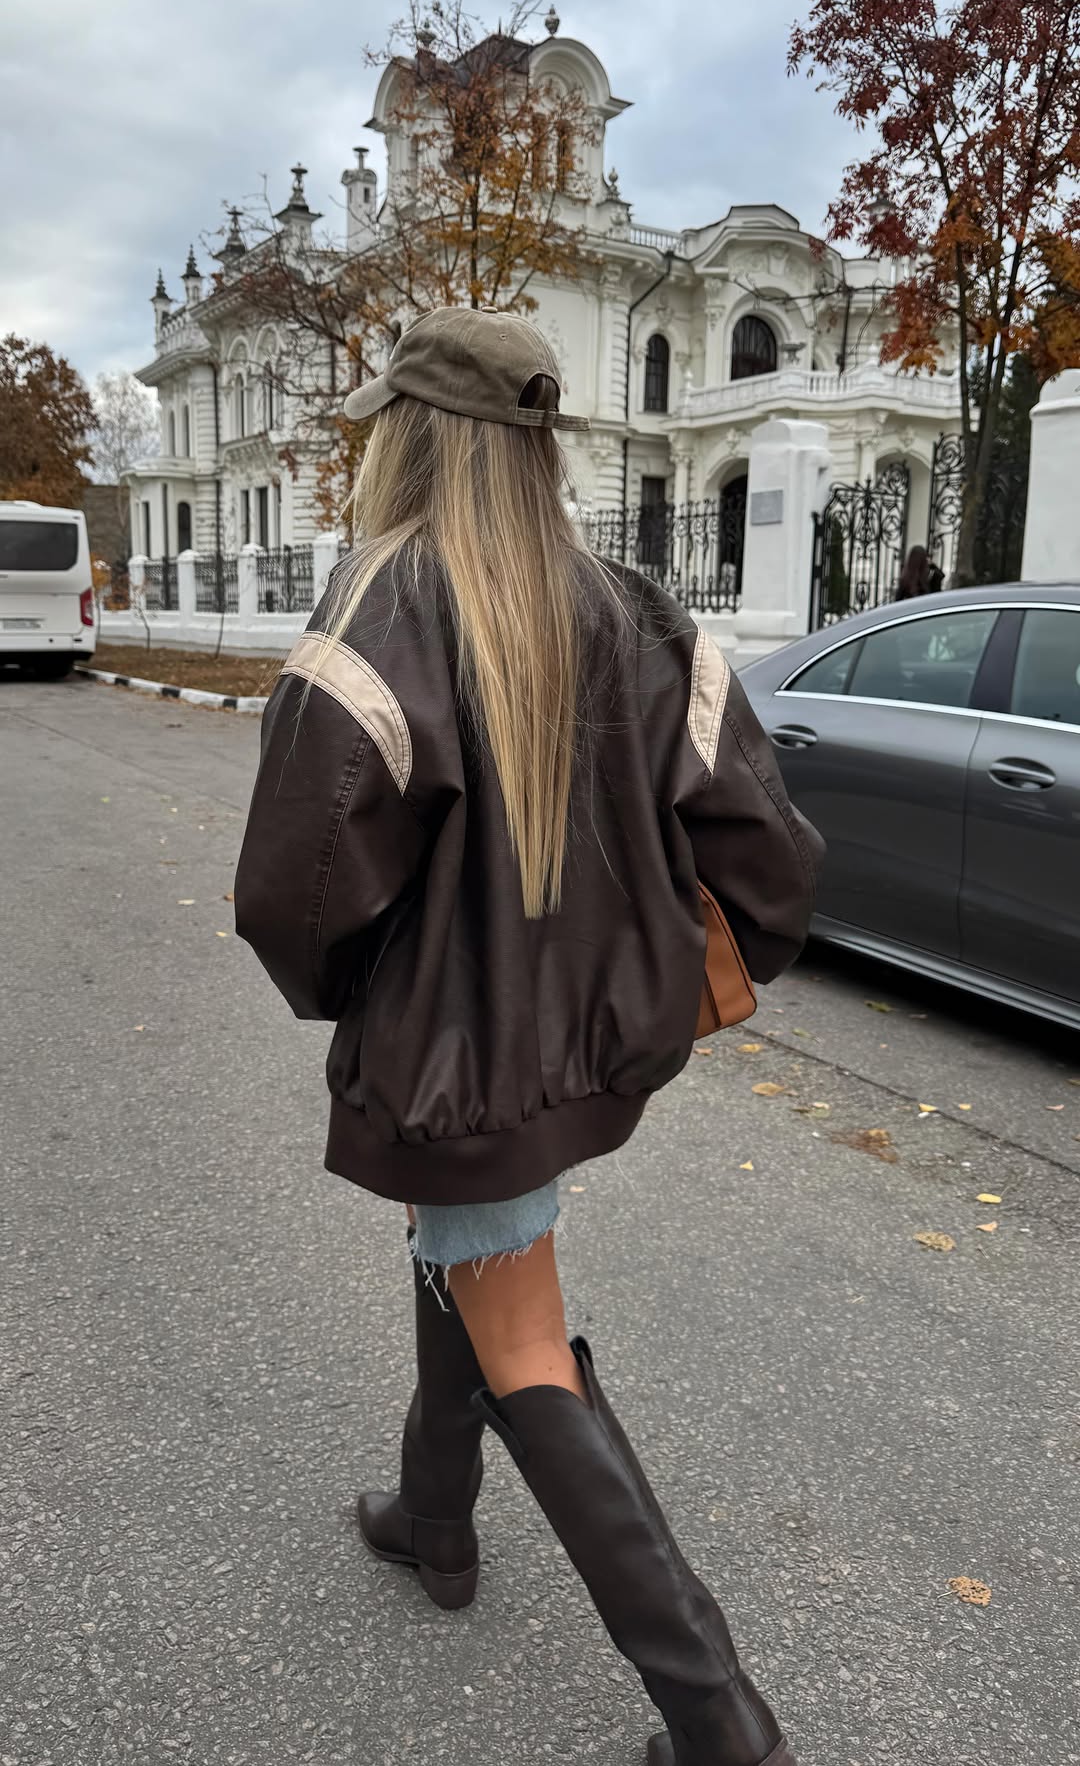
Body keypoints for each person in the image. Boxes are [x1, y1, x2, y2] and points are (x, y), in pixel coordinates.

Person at [235, 307, 824, 1766]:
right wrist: (637, 986)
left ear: (411, 438)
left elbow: (295, 888)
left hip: (461, 1059)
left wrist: (374, 995)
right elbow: (768, 857)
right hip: (563, 1049)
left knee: (522, 1340)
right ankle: (433, 1514)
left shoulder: (385, 599)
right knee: (464, 1244)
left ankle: (719, 1718)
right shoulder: (633, 610)